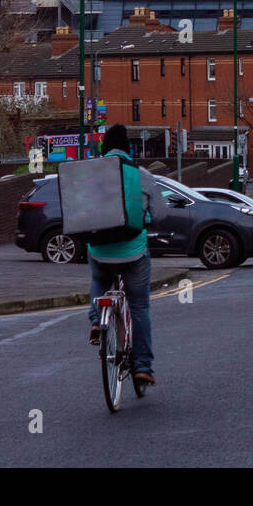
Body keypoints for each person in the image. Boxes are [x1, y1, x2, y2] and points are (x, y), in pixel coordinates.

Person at [86, 124, 156, 387]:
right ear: (129, 148)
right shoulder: (141, 175)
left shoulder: (91, 174)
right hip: (133, 250)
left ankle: (95, 321)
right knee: (139, 306)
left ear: (103, 147)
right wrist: (146, 217)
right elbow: (160, 212)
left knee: (99, 279)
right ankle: (143, 367)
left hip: (99, 248)